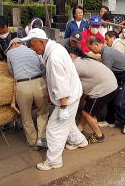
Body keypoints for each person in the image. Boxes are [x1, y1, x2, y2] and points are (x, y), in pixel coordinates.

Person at [21, 28, 87, 171]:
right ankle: (79, 141)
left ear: (40, 42)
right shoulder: (55, 48)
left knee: (53, 129)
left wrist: (62, 107)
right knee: (67, 123)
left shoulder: (54, 58)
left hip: (67, 98)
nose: (31, 48)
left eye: (32, 44)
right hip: (73, 93)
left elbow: (61, 84)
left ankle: (53, 161)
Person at [6, 38, 48, 150]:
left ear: (13, 44)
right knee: (43, 112)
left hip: (22, 85)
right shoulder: (32, 50)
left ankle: (33, 142)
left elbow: (11, 71)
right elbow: (42, 68)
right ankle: (42, 139)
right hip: (39, 82)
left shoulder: (10, 53)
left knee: (26, 116)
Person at [68, 48, 118, 143]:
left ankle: (99, 135)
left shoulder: (74, 65)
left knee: (87, 113)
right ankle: (80, 128)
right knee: (86, 106)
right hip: (110, 84)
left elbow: (71, 86)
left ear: (70, 55)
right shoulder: (83, 59)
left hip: (104, 88)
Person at [87, 36, 125, 134]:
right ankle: (110, 120)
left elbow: (106, 72)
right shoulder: (105, 51)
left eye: (91, 48)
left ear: (97, 44)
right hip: (118, 75)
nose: (91, 51)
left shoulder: (107, 53)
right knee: (111, 98)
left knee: (120, 102)